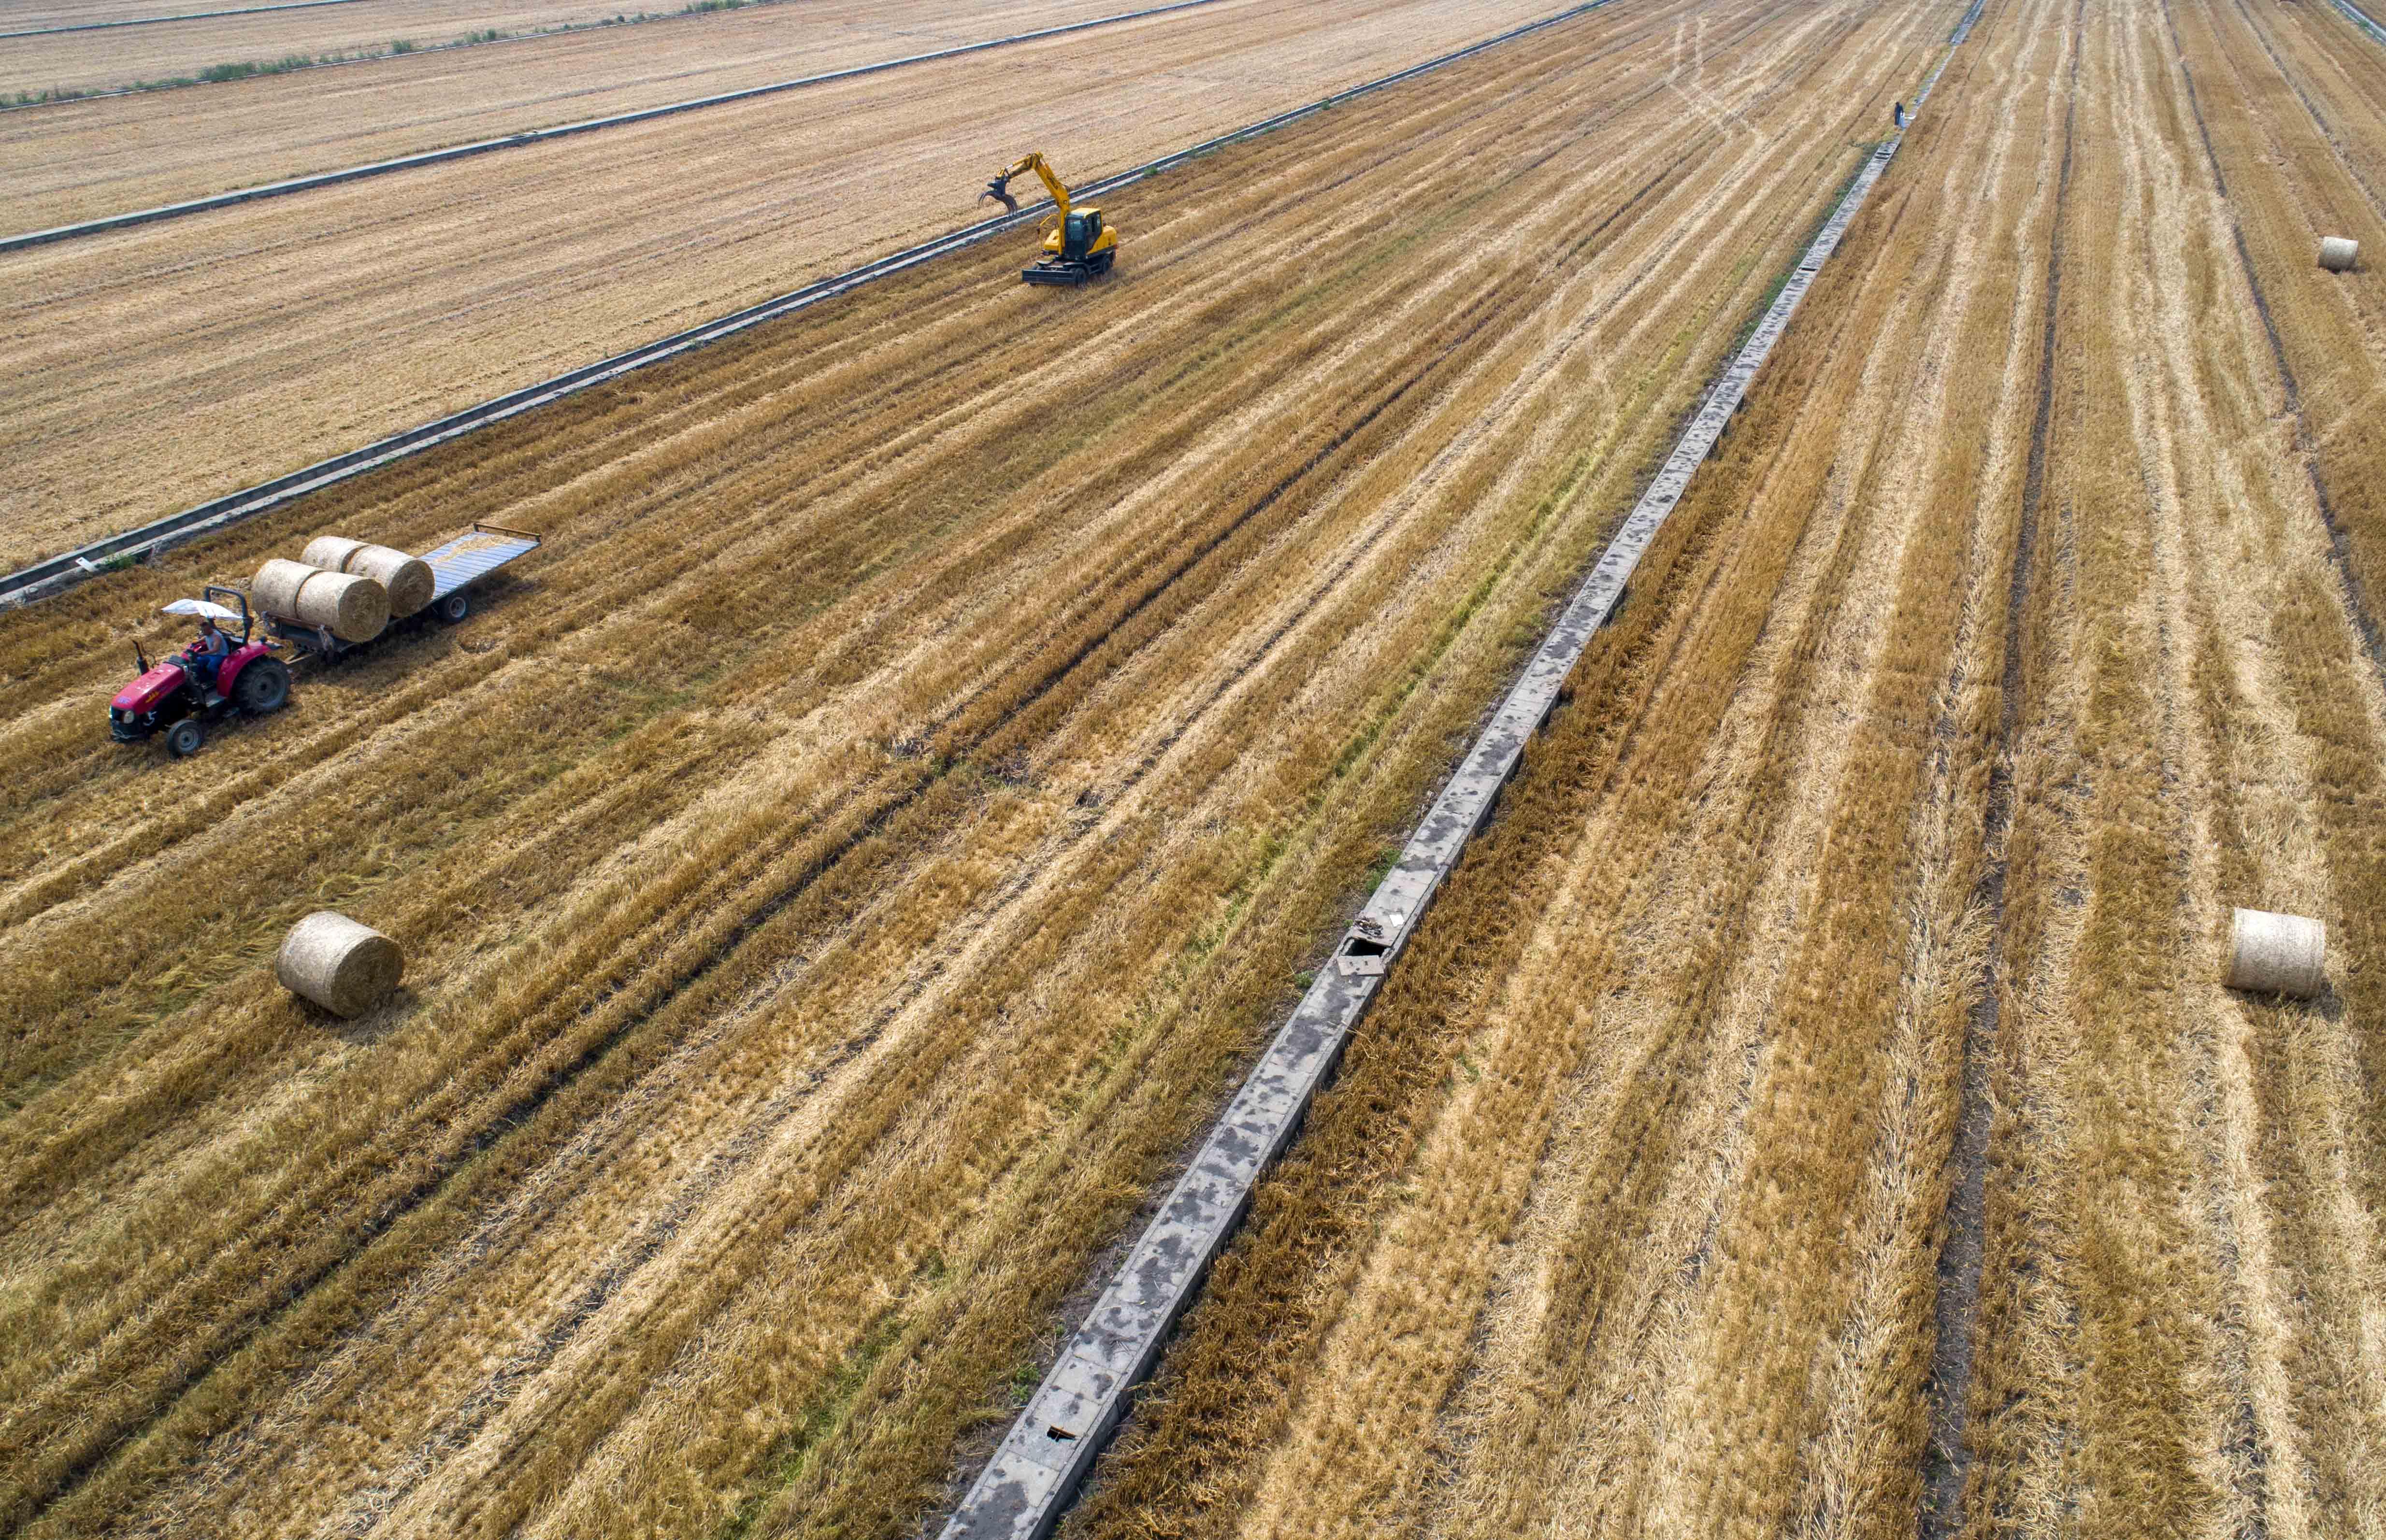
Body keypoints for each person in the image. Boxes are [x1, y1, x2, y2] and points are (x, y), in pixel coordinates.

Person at [189, 616, 232, 687]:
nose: (202, 633)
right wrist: (197, 642)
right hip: (212, 655)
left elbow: (216, 649)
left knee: (211, 667)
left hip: (220, 655)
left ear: (209, 630)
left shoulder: (216, 637)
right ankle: (204, 679)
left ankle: (219, 680)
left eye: (203, 631)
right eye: (202, 631)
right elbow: (205, 637)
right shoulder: (208, 634)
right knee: (198, 661)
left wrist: (202, 653)